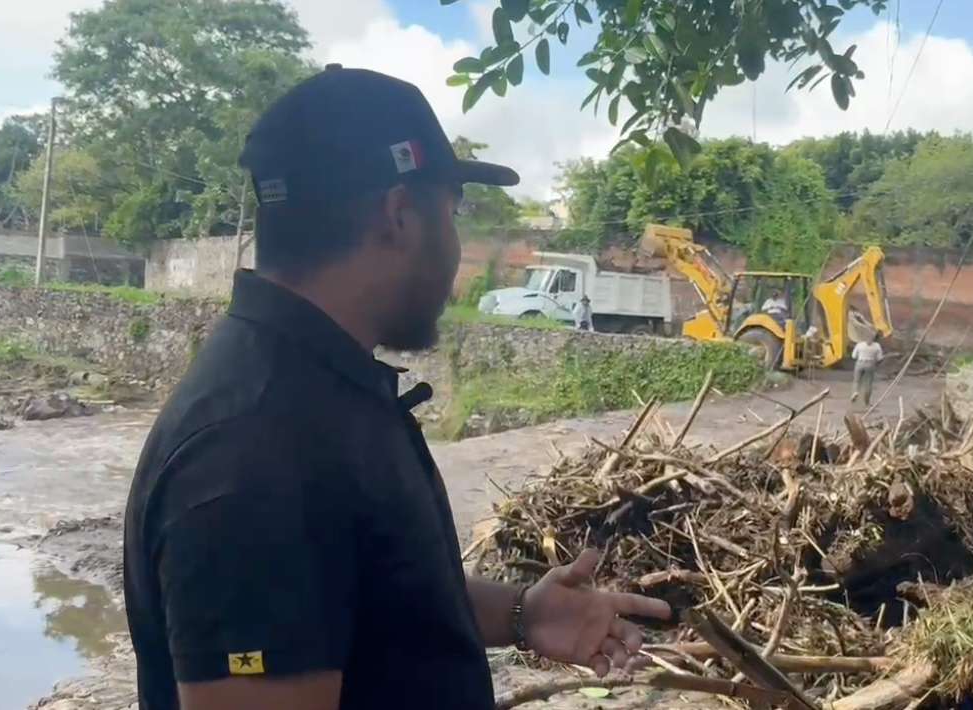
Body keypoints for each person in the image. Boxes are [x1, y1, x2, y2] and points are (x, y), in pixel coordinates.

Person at [122, 66, 670, 710]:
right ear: (401, 214)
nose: (457, 244)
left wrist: (524, 613)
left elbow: (365, 588)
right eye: (452, 212)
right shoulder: (256, 448)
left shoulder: (315, 391)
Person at [851, 333, 885, 406]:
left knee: (856, 380)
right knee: (868, 383)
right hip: (870, 364)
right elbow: (880, 358)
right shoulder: (877, 346)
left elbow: (853, 356)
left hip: (860, 363)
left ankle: (855, 392)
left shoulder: (859, 345)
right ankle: (867, 402)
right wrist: (876, 364)